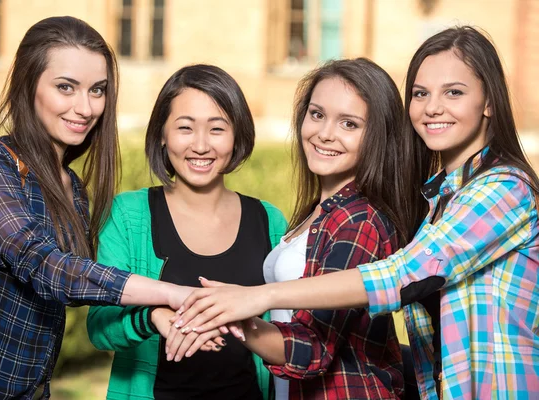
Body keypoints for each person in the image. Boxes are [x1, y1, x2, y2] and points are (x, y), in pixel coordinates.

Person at [172, 26, 539, 399]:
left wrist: (261, 297)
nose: (432, 107)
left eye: (454, 93)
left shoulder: (504, 189)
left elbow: (403, 274)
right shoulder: (440, 200)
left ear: (489, 101)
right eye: (420, 93)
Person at [0, 17, 192, 400]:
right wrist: (168, 292)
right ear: (28, 86)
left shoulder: (74, 189)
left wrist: (155, 311)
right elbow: (39, 262)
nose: (85, 107)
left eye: (97, 90)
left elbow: (74, 285)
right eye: (65, 87)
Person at [168, 58, 417, 400]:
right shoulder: (320, 211)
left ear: (377, 135)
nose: (324, 133)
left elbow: (314, 349)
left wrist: (237, 319)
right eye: (317, 114)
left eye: (348, 123)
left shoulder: (360, 220)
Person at [86, 64, 287, 400]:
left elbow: (287, 337)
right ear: (162, 135)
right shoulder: (128, 214)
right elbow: (100, 326)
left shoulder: (269, 220)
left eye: (217, 128)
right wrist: (153, 317)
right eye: (185, 127)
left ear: (237, 135)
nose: (201, 145)